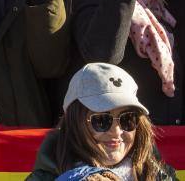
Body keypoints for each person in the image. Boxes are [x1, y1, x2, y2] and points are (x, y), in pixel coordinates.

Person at [28, 63, 176, 180]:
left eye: (127, 119)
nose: (116, 131)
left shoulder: (161, 176)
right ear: (73, 123)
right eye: (101, 120)